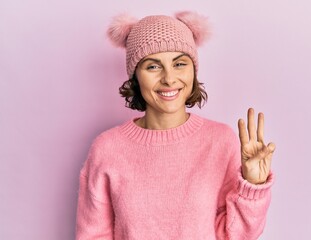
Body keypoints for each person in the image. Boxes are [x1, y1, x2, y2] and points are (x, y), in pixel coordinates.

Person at [75, 11, 276, 240]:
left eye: (179, 63)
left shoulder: (220, 141)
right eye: (153, 66)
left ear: (193, 70)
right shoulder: (107, 148)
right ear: (135, 76)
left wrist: (253, 185)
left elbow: (234, 235)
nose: (169, 78)